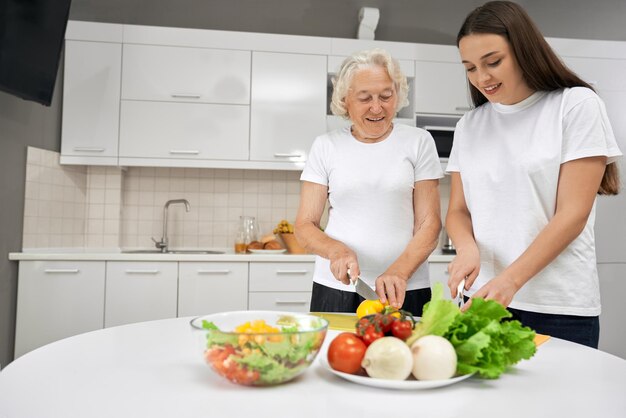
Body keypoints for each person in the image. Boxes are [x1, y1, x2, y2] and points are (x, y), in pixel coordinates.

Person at [446, 1, 622, 348]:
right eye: (470, 68)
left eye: (493, 62)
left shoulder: (575, 105)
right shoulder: (470, 125)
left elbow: (572, 214)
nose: (482, 78)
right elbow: (458, 210)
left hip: (558, 305)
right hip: (486, 300)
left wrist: (511, 280)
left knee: (559, 404)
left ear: (524, 50)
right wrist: (467, 249)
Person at [294, 48, 443, 316]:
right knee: (336, 356)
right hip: (337, 287)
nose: (377, 107)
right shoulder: (326, 146)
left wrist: (400, 272)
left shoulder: (419, 142)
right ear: (345, 100)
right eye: (365, 98)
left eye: (386, 96)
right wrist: (336, 252)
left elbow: (429, 224)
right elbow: (305, 226)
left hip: (405, 287)